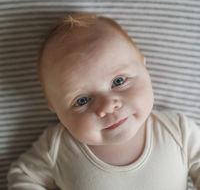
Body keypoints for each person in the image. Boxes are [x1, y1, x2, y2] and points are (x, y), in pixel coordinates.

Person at [8, 13, 200, 190]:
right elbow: (24, 176)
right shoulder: (58, 147)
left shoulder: (177, 131)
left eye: (119, 81)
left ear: (143, 65)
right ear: (56, 109)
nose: (107, 106)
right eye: (82, 100)